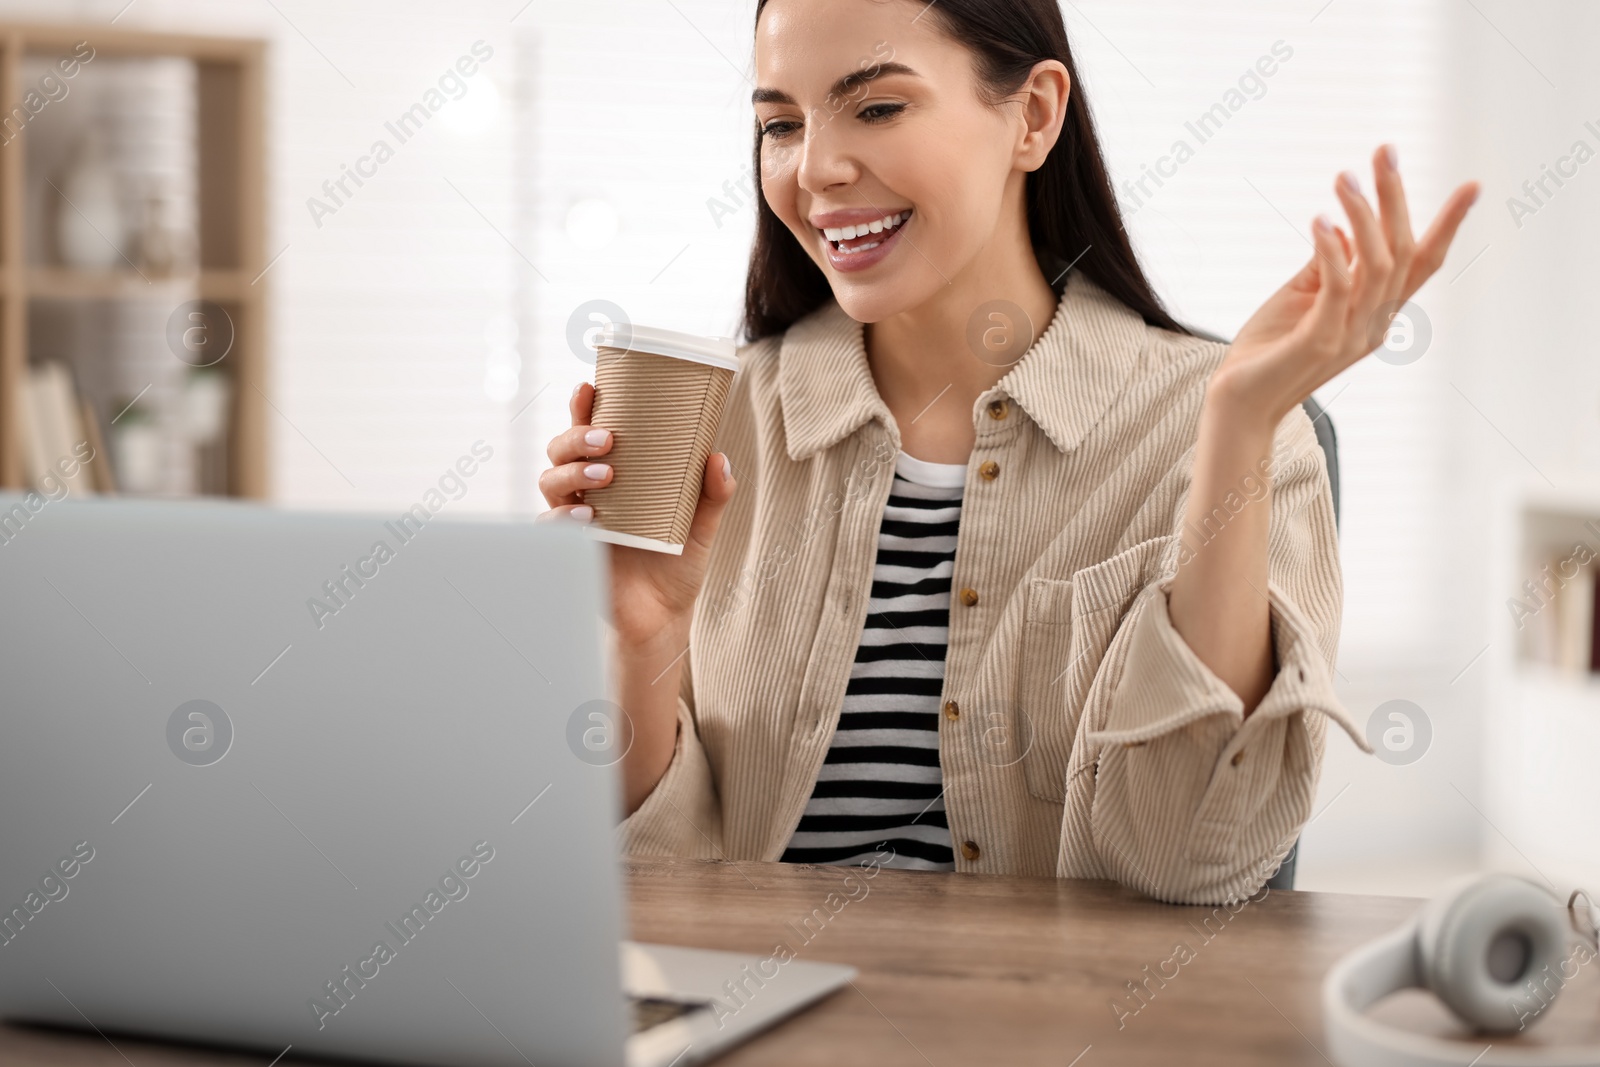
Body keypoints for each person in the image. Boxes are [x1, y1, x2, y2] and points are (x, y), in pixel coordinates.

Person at [540, 0, 1479, 904]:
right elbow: (658, 888)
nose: (815, 168)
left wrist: (1236, 420)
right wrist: (643, 633)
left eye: (875, 106)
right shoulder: (719, 426)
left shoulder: (1227, 423)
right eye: (780, 125)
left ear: (1032, 116)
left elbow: (1192, 861)